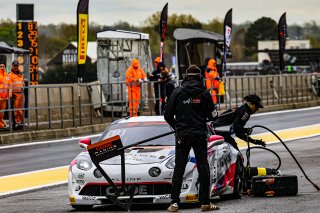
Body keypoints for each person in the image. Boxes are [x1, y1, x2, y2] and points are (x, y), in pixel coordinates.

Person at [164, 65, 219, 212]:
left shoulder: (177, 92)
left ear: (185, 77)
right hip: (199, 135)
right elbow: (214, 116)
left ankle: (174, 203)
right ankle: (205, 203)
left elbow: (167, 115)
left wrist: (177, 128)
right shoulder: (205, 93)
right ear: (200, 77)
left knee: (179, 167)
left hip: (182, 135)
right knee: (203, 167)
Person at [9, 60, 25, 128]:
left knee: (21, 109)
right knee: (14, 110)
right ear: (12, 66)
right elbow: (9, 85)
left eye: (17, 65)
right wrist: (10, 94)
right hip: (14, 94)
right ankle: (13, 123)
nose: (16, 67)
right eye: (14, 65)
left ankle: (20, 122)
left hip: (21, 94)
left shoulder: (20, 74)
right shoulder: (10, 74)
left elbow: (23, 83)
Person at [0, 63, 12, 131]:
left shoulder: (7, 76)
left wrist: (9, 95)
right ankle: (1, 125)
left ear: (5, 67)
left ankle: (1, 125)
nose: (2, 67)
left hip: (4, 97)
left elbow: (10, 86)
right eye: (1, 66)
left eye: (3, 66)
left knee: (2, 113)